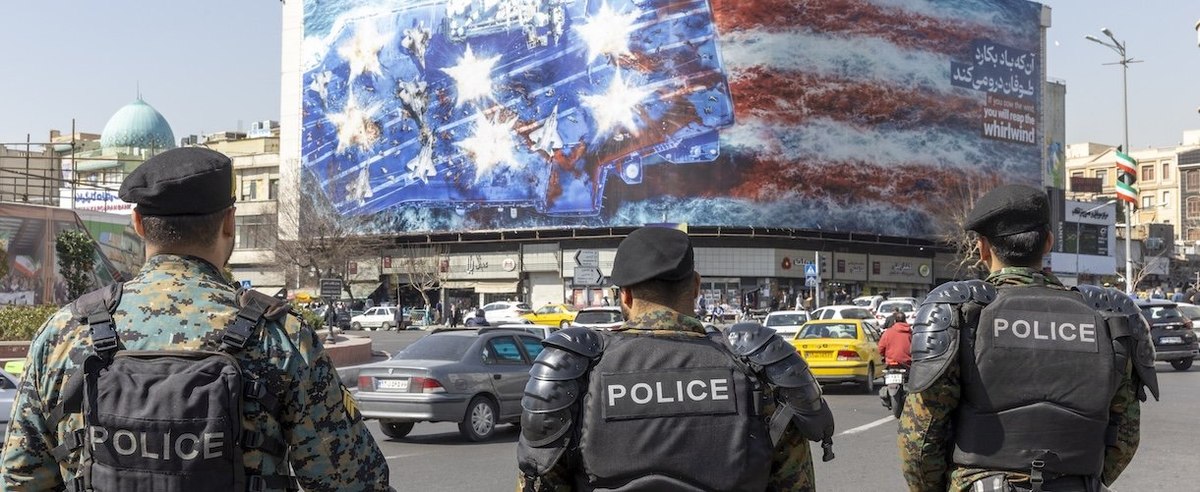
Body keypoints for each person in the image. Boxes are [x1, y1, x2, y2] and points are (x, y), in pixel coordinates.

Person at [0, 147, 391, 490]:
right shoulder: (280, 337)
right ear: (229, 222)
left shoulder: (66, 333)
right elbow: (354, 481)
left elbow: (20, 479)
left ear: (138, 224)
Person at [517, 227, 835, 492]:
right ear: (695, 286)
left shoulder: (575, 371)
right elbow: (796, 483)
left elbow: (538, 480)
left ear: (625, 295)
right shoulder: (759, 367)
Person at [899, 184, 1157, 492]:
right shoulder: (1108, 315)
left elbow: (921, 437)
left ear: (982, 248)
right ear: (1048, 242)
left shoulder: (958, 313)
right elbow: (1125, 435)